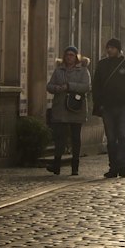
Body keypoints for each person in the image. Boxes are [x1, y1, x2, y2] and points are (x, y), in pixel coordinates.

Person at [92, 38, 125, 179]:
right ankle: (113, 166)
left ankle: (123, 165)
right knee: (111, 138)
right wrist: (99, 103)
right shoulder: (102, 65)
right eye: (108, 48)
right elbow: (97, 86)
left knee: (123, 137)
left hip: (124, 107)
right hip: (107, 107)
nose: (109, 50)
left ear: (118, 49)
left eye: (112, 48)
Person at [46, 47, 92, 176]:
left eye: (71, 55)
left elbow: (86, 87)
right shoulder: (59, 70)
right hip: (60, 108)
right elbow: (49, 86)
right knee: (59, 137)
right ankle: (56, 165)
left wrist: (70, 86)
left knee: (75, 138)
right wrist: (57, 88)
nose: (69, 57)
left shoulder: (83, 71)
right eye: (67, 55)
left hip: (75, 108)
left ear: (76, 57)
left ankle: (75, 166)